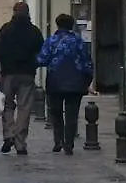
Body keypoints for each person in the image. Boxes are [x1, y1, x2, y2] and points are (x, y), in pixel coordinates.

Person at [0, 1, 44, 155]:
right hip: (27, 74)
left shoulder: (6, 29)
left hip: (8, 73)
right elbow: (41, 52)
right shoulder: (34, 31)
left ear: (13, 12)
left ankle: (8, 134)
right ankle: (20, 142)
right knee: (24, 107)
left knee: (6, 105)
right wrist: (34, 65)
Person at [37, 13, 94, 155]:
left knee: (56, 113)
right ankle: (69, 143)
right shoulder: (78, 41)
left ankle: (58, 141)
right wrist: (88, 80)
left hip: (55, 82)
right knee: (71, 114)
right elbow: (87, 62)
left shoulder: (51, 41)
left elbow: (42, 60)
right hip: (75, 83)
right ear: (71, 25)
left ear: (57, 24)